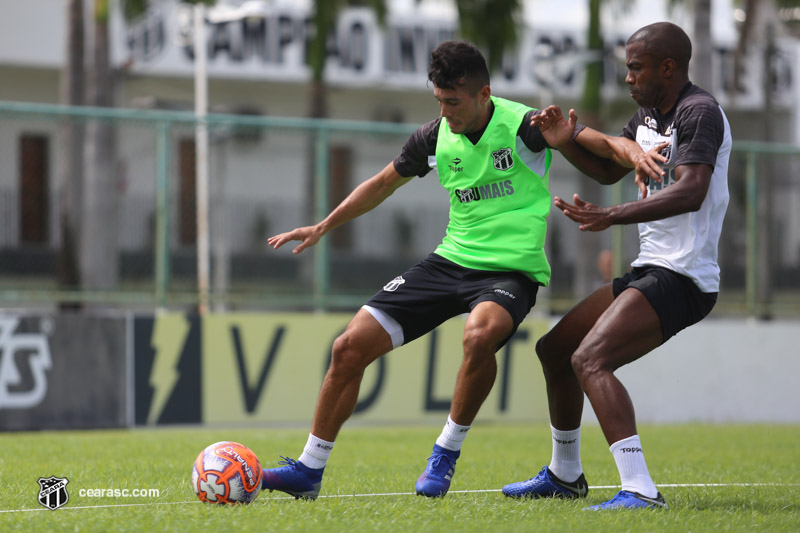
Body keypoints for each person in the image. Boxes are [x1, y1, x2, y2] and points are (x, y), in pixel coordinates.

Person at [263, 40, 556, 500]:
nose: (445, 112)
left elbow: (588, 142)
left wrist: (630, 151)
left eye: (453, 102)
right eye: (438, 101)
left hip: (510, 270)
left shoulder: (522, 125)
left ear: (484, 94)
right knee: (348, 346)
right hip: (451, 260)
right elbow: (382, 183)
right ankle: (308, 469)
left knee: (480, 336)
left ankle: (445, 453)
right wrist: (323, 225)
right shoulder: (433, 136)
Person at [501, 22, 731, 510]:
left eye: (635, 67)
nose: (627, 77)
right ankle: (565, 476)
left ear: (667, 68)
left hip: (685, 275)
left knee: (590, 359)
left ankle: (640, 490)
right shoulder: (648, 115)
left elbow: (691, 191)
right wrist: (565, 141)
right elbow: (609, 170)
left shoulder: (700, 113)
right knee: (556, 350)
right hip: (653, 267)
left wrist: (612, 217)